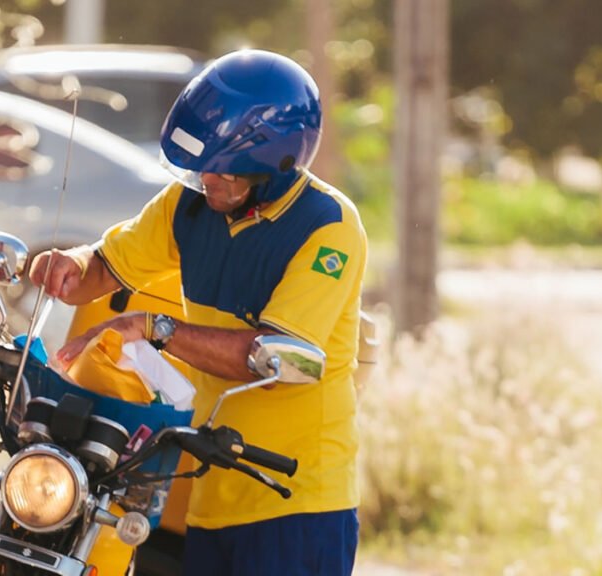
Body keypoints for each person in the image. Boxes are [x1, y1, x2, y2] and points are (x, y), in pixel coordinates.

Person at [29, 49, 367, 575]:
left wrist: (153, 328)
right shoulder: (190, 203)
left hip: (296, 500)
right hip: (206, 489)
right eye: (200, 166)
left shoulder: (328, 228)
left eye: (224, 170)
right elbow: (107, 266)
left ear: (276, 164)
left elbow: (269, 361)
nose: (206, 178)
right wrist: (67, 265)